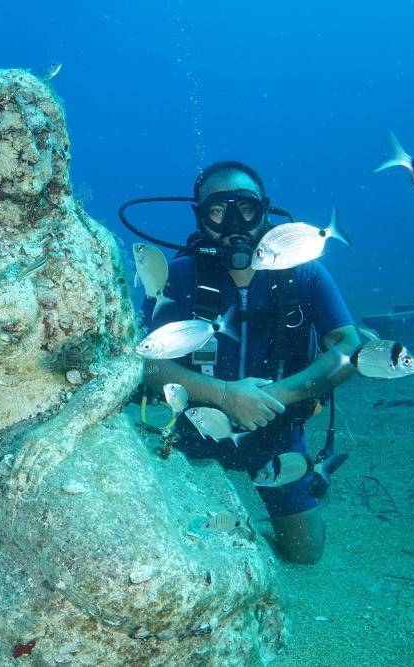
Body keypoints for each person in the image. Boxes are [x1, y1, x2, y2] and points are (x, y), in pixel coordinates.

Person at [141, 161, 360, 564]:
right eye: (217, 212)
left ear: (265, 210)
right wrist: (227, 396)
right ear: (200, 216)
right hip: (196, 428)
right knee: (176, 547)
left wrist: (278, 394)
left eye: (245, 208)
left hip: (276, 430)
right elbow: (148, 365)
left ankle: (285, 496)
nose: (233, 224)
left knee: (305, 553)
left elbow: (349, 348)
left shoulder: (304, 273)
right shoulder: (175, 277)